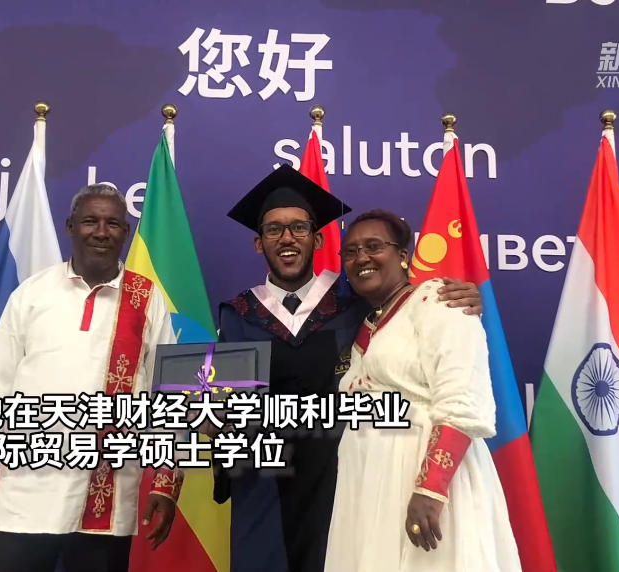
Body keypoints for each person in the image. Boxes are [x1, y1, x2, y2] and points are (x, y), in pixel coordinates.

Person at [211, 165, 485, 572]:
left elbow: (412, 314)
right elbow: (221, 403)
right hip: (263, 479)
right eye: (273, 230)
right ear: (259, 243)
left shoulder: (355, 303)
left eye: (299, 227)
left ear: (317, 239)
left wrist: (462, 297)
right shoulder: (238, 315)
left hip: (341, 475)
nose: (287, 238)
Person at [0, 184, 182, 572]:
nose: (101, 232)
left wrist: (166, 480)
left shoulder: (146, 298)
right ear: (70, 227)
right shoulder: (33, 294)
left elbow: (168, 394)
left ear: (126, 232)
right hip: (24, 495)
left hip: (105, 502)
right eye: (90, 221)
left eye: (113, 223)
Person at [324, 209, 522, 572]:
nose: (361, 257)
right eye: (350, 252)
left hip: (420, 473)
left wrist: (431, 488)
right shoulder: (364, 324)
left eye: (373, 246)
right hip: (367, 478)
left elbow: (462, 398)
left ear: (403, 255)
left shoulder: (440, 300)